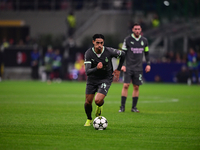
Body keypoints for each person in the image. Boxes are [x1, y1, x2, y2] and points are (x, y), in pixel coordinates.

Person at [84, 34, 125, 126]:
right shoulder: (89, 53)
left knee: (97, 100)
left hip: (105, 78)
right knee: (88, 102)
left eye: (101, 43)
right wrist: (96, 68)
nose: (99, 45)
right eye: (97, 43)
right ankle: (89, 119)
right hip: (92, 79)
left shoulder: (109, 51)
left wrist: (118, 70)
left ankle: (100, 105)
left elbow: (123, 54)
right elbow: (87, 72)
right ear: (93, 42)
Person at [119, 23, 151, 113]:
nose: (137, 30)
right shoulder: (127, 40)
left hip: (138, 68)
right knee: (126, 85)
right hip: (128, 66)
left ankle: (134, 107)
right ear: (132, 30)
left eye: (138, 29)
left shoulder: (144, 40)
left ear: (141, 30)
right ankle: (122, 107)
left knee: (136, 87)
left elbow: (147, 53)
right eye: (135, 29)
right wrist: (123, 65)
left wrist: (148, 64)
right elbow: (123, 53)